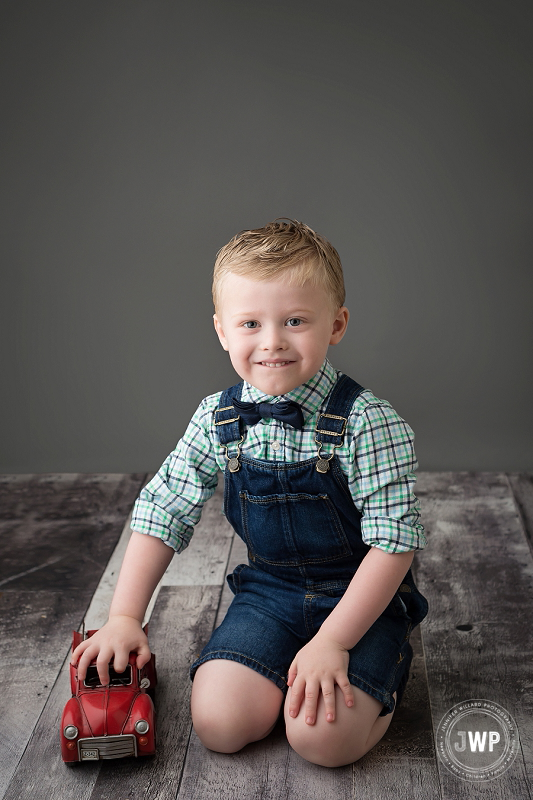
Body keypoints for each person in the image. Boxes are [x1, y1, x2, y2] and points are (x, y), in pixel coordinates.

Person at [72, 219, 428, 767]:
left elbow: (393, 545)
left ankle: (380, 677)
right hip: (271, 594)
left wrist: (333, 642)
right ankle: (287, 677)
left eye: (294, 321)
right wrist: (124, 617)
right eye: (250, 323)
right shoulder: (218, 419)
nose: (272, 342)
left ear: (336, 324)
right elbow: (162, 510)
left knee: (322, 743)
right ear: (221, 331)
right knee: (219, 724)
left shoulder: (368, 422)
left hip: (361, 601)